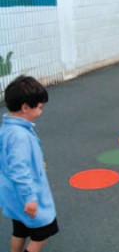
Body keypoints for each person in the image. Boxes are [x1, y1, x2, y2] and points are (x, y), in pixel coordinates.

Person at [0, 76, 58, 252]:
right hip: (26, 196)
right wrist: (30, 198)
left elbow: (11, 159)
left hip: (13, 194)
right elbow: (19, 169)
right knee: (43, 233)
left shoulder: (8, 128)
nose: (41, 111)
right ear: (25, 107)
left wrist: (37, 164)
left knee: (20, 230)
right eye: (39, 107)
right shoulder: (20, 136)